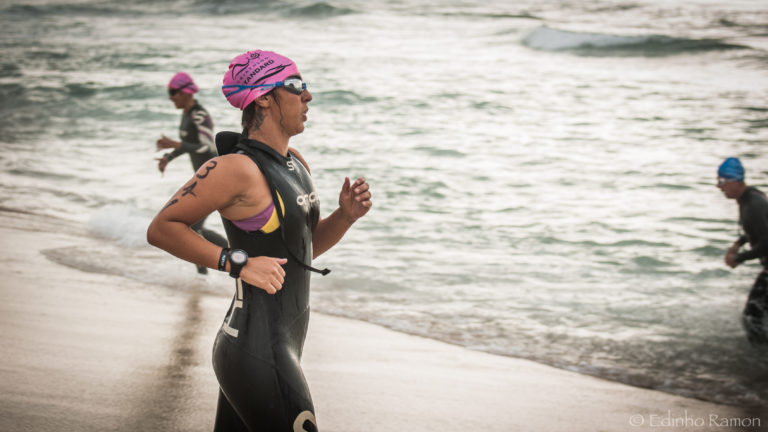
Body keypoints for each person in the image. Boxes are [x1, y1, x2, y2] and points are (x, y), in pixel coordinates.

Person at [146, 50, 372, 431]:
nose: (308, 96)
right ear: (264, 96)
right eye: (297, 86)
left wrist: (345, 217)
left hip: (276, 346)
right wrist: (237, 263)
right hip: (255, 351)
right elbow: (163, 228)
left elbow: (302, 249)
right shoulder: (236, 168)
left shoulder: (296, 162)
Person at [156, 71, 228, 274]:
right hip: (204, 179)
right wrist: (168, 158)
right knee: (193, 229)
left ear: (186, 92)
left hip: (215, 178)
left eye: (173, 92)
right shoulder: (186, 115)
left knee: (191, 230)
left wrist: (175, 143)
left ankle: (234, 262)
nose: (170, 97)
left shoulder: (199, 114)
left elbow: (206, 147)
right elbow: (189, 145)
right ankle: (233, 260)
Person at [717, 157, 768, 344]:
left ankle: (760, 362)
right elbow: (760, 228)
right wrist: (739, 242)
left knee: (752, 318)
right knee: (754, 317)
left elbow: (766, 242)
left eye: (723, 181)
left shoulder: (753, 204)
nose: (719, 186)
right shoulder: (749, 198)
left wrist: (739, 258)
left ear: (737, 181)